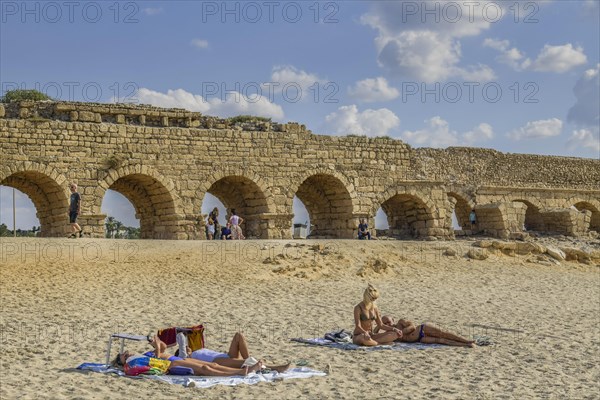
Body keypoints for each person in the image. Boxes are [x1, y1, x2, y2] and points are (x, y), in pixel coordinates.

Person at [147, 333, 290, 373]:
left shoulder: (198, 350)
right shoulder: (187, 357)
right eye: (187, 350)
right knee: (241, 363)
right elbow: (181, 345)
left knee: (238, 336)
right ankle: (273, 367)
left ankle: (251, 362)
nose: (190, 349)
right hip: (219, 361)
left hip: (226, 356)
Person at [114, 349, 263, 377]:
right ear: (121, 361)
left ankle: (247, 368)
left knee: (213, 366)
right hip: (171, 365)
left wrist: (156, 344)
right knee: (205, 367)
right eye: (124, 355)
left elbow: (162, 349)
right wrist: (156, 345)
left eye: (126, 352)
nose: (127, 353)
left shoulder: (141, 354)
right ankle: (241, 371)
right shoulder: (131, 362)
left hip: (177, 360)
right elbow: (159, 357)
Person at [378, 316, 475, 347]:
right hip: (420, 339)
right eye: (385, 323)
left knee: (443, 333)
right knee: (441, 340)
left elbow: (412, 326)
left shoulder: (400, 322)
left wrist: (402, 331)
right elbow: (377, 335)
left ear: (393, 320)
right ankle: (465, 345)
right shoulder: (390, 334)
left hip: (421, 329)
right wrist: (378, 327)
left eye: (389, 321)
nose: (388, 324)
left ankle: (466, 340)